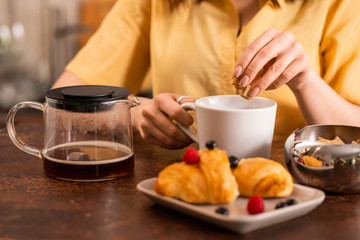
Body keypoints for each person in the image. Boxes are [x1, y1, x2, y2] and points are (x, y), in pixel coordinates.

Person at [52, 0, 360, 149]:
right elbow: (60, 105)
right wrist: (132, 115)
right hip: (176, 198)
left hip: (302, 199)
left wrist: (306, 81)